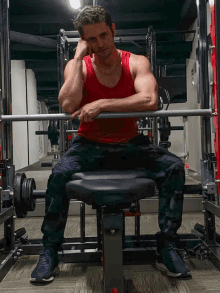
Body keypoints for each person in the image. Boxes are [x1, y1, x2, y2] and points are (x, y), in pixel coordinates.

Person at [30, 5, 191, 283]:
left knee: (174, 167)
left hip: (130, 143)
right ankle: (51, 252)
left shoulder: (136, 62)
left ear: (113, 30)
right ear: (84, 41)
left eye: (104, 35)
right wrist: (79, 57)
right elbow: (67, 103)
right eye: (91, 39)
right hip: (88, 144)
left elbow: (149, 101)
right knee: (57, 176)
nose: (100, 44)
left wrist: (102, 104)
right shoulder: (77, 65)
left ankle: (167, 245)